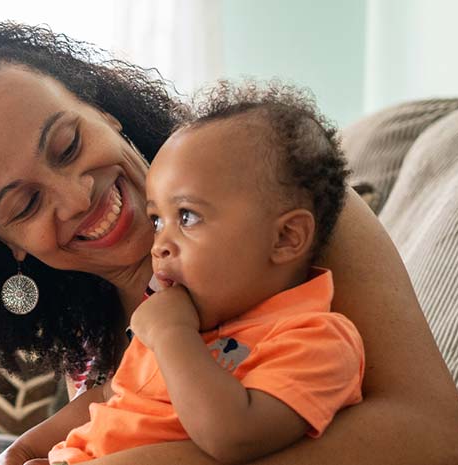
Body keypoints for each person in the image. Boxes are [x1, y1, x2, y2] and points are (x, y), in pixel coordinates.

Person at [0, 22, 458, 465]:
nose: (75, 197)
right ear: (7, 244)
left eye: (69, 144)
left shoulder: (272, 201)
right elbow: (129, 395)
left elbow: (438, 441)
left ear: (103, 109)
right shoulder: (87, 290)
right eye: (24, 203)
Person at [45, 80, 362, 465]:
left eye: (188, 216)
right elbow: (114, 406)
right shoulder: (185, 319)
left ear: (285, 238)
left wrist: (171, 335)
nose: (159, 243)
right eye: (157, 219)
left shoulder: (318, 341)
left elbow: (233, 437)